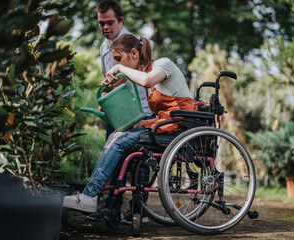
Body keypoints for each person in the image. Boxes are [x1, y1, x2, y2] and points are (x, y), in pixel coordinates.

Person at [63, 34, 197, 216]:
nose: (116, 63)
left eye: (118, 58)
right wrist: (108, 91)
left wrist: (118, 68)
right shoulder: (148, 74)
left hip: (179, 129)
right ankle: (102, 197)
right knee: (115, 136)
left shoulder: (162, 65)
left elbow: (146, 80)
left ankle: (89, 196)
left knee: (119, 141)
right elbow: (165, 113)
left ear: (134, 53)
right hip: (168, 126)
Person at [95, 0, 153, 223]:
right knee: (113, 158)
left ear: (120, 20)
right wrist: (103, 99)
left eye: (109, 22)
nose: (105, 27)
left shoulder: (130, 44)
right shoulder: (104, 45)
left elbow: (121, 78)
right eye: (101, 23)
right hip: (117, 112)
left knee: (140, 162)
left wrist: (107, 90)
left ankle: (140, 210)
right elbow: (106, 77)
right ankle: (112, 207)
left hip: (138, 111)